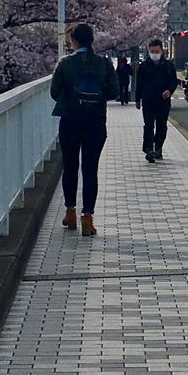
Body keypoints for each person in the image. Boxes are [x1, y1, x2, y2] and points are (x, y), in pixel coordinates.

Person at [50, 23, 115, 236]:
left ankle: (70, 212)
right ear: (92, 40)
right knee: (90, 169)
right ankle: (88, 218)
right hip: (95, 122)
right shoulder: (103, 64)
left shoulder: (65, 64)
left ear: (74, 41)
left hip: (70, 122)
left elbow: (54, 92)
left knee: (70, 167)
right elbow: (113, 91)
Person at [134, 37, 178, 161]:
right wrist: (137, 99)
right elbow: (139, 83)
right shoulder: (144, 66)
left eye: (156, 51)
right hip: (148, 100)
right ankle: (148, 149)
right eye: (152, 52)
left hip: (163, 102)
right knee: (148, 125)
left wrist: (169, 91)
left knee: (161, 126)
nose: (154, 54)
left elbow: (174, 82)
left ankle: (158, 148)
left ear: (161, 51)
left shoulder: (168, 65)